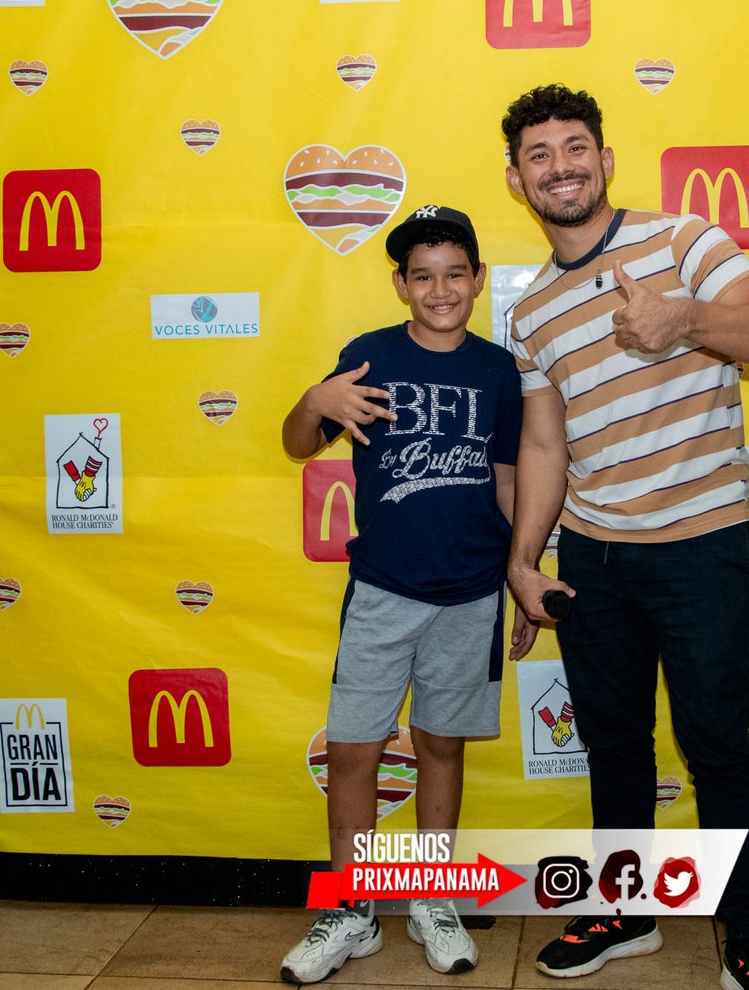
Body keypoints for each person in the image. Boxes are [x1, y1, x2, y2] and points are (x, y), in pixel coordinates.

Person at [499, 84, 749, 990]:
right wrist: (523, 560)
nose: (560, 166)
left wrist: (687, 319)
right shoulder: (529, 313)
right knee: (613, 742)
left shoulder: (683, 242)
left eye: (575, 147)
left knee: (716, 740)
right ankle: (625, 910)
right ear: (516, 179)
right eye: (539, 154)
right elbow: (545, 444)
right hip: (594, 556)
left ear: (604, 159)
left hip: (703, 545)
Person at [278, 205, 525, 984]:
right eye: (423, 275)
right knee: (354, 747)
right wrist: (314, 401)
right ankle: (351, 908)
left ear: (478, 280)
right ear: (400, 283)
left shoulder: (499, 370)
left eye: (455, 273)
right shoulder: (369, 355)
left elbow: (509, 478)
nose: (440, 289)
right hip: (383, 588)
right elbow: (296, 443)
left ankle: (430, 896)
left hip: (472, 592)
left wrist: (521, 569)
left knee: (441, 745)